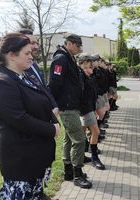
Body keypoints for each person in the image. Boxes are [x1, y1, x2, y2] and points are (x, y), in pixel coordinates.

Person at [0, 32, 60, 200]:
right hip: (21, 160)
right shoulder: (2, 82)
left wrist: (53, 119)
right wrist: (52, 129)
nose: (31, 56)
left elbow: (43, 99)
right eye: (27, 53)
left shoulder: (26, 76)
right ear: (12, 55)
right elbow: (19, 119)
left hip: (34, 157)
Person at [18, 28, 60, 200]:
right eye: (31, 43)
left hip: (45, 114)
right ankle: (36, 194)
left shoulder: (32, 64)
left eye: (36, 43)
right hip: (32, 123)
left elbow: (43, 87)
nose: (35, 46)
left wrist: (53, 105)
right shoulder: (19, 68)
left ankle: (40, 193)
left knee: (42, 160)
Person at [48, 34, 93, 189]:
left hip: (71, 105)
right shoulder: (61, 59)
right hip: (66, 106)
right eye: (77, 45)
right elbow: (54, 83)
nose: (80, 48)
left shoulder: (69, 57)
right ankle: (77, 174)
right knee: (79, 140)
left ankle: (68, 171)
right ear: (69, 43)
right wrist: (55, 105)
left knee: (69, 138)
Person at [78, 54, 106, 170]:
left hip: (89, 108)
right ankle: (94, 157)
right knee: (96, 131)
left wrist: (93, 109)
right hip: (84, 110)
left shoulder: (88, 77)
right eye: (88, 68)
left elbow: (92, 95)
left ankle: (81, 156)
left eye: (91, 67)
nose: (91, 70)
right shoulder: (81, 77)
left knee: (81, 134)